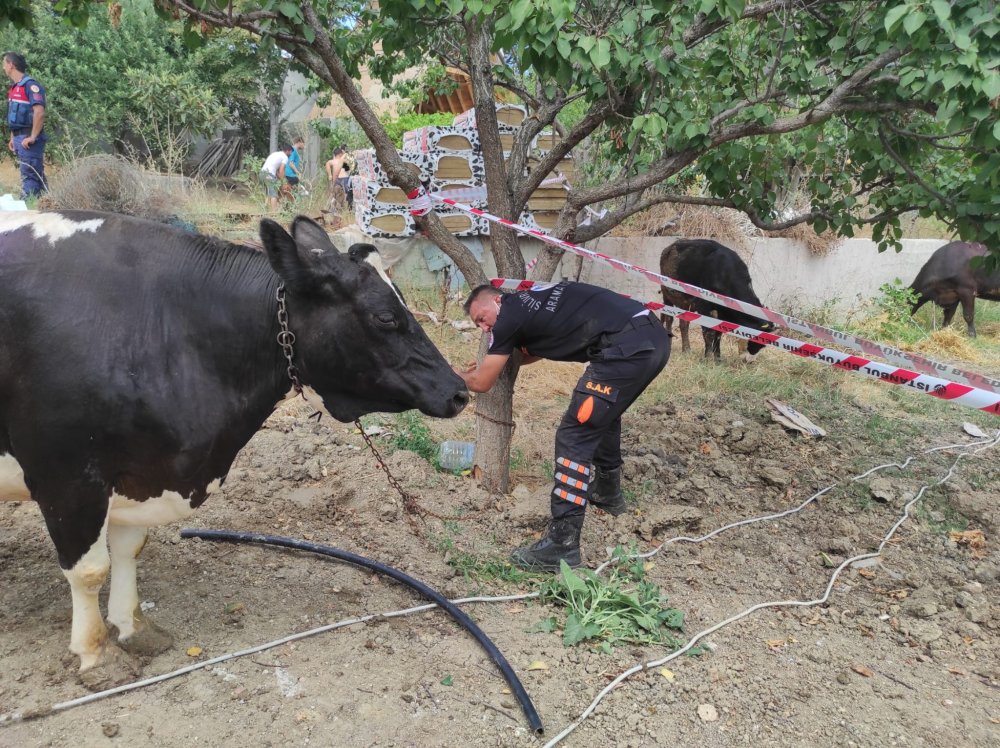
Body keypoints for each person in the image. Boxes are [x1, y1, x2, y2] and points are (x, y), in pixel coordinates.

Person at [456, 282, 671, 571]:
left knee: (575, 434)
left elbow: (482, 383)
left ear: (497, 300)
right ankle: (607, 491)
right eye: (477, 325)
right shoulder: (530, 303)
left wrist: (454, 374)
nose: (483, 328)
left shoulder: (508, 316)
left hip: (626, 347)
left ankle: (562, 544)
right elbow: (536, 350)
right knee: (603, 414)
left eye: (481, 318)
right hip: (651, 338)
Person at [4, 51, 47, 198]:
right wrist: (12, 137)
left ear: (11, 65)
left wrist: (33, 136)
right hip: (19, 138)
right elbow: (14, 116)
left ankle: (28, 210)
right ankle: (47, 207)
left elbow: (39, 112)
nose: (3, 67)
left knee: (30, 178)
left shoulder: (31, 85)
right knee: (36, 177)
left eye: (4, 63)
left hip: (28, 140)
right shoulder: (15, 88)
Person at [260, 144, 292, 209]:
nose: (291, 153)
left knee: (268, 194)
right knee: (273, 194)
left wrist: (280, 179)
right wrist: (284, 183)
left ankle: (265, 210)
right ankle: (274, 213)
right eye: (291, 151)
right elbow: (281, 170)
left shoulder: (275, 154)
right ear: (288, 151)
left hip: (262, 173)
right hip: (269, 174)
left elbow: (277, 172)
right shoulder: (285, 157)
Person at [324, 146, 353, 211]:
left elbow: (327, 164)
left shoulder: (332, 161)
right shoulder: (344, 160)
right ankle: (343, 209)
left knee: (334, 195)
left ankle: (333, 208)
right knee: (345, 195)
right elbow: (349, 169)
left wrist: (329, 175)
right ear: (340, 154)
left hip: (337, 180)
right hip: (345, 179)